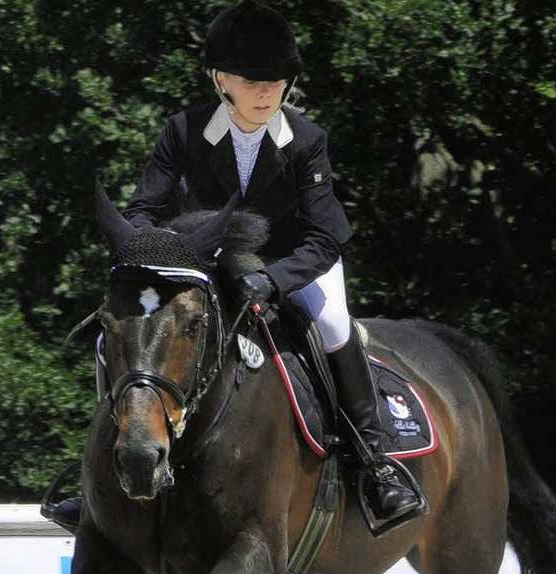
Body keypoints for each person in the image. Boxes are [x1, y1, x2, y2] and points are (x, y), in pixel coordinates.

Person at [53, 0, 425, 528]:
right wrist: (156, 253)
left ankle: (375, 464)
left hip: (296, 263)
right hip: (207, 265)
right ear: (220, 78)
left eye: (275, 81)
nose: (265, 92)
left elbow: (325, 237)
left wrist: (271, 281)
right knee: (122, 333)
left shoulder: (308, 142)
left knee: (334, 324)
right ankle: (102, 476)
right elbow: (142, 209)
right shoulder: (182, 131)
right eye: (252, 81)